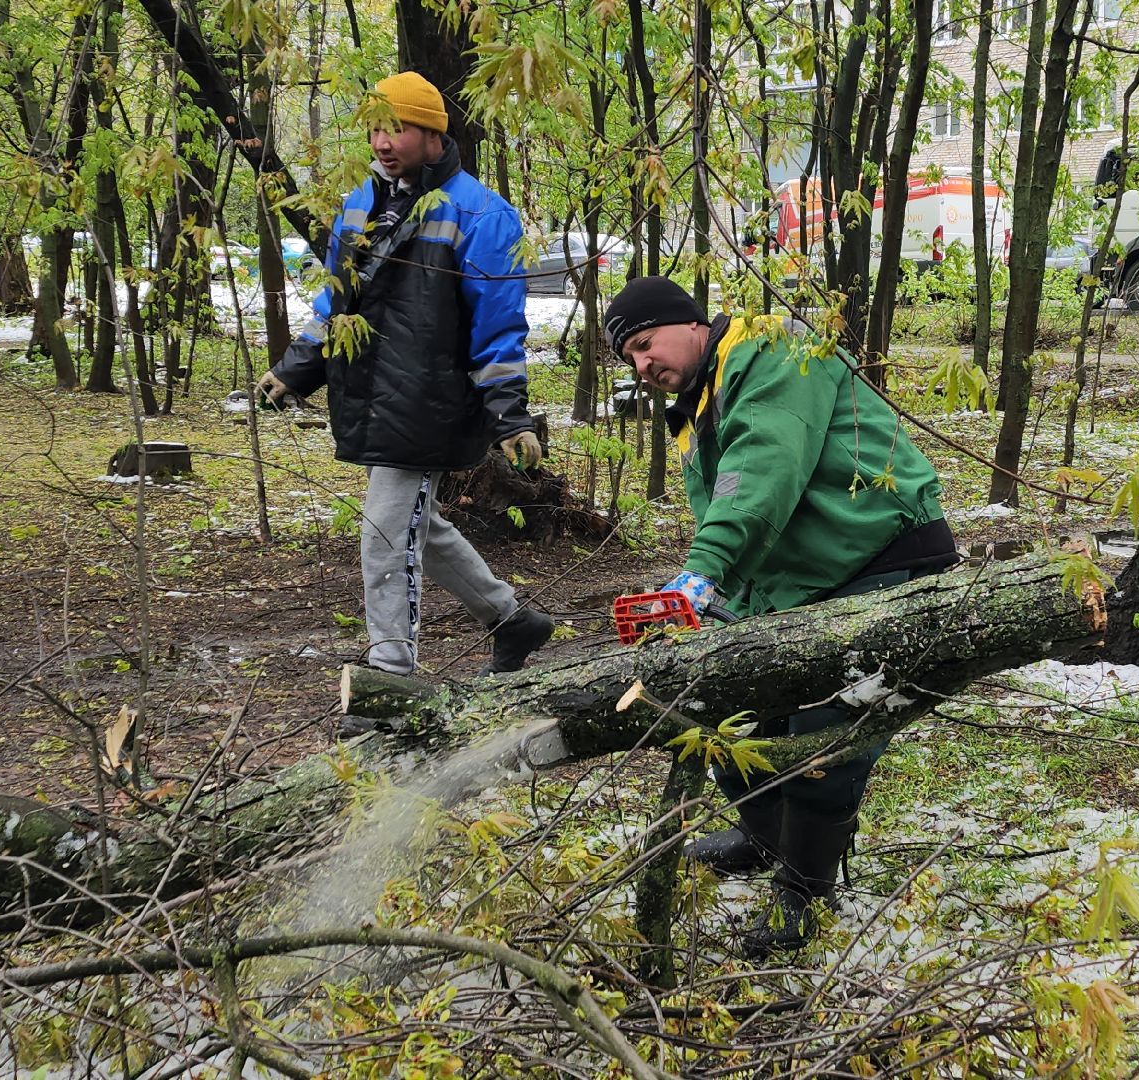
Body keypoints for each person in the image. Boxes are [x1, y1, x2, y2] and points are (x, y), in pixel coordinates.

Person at [604, 275, 958, 956]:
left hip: (877, 557)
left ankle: (805, 890)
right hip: (802, 578)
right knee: (731, 696)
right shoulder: (701, 398)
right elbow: (741, 510)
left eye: (647, 345)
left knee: (824, 732)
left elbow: (763, 473)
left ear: (689, 322)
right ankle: (763, 836)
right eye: (631, 360)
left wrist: (703, 573)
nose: (644, 366)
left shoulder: (774, 353)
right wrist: (722, 600)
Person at [257, 71, 554, 677]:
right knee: (420, 524)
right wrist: (293, 370)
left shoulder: (482, 213)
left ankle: (389, 675)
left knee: (386, 537)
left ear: (433, 134)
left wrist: (508, 416)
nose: (383, 141)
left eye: (398, 128)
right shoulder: (359, 204)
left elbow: (497, 328)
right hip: (371, 395)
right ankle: (512, 619)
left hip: (432, 401)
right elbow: (336, 305)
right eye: (375, 128)